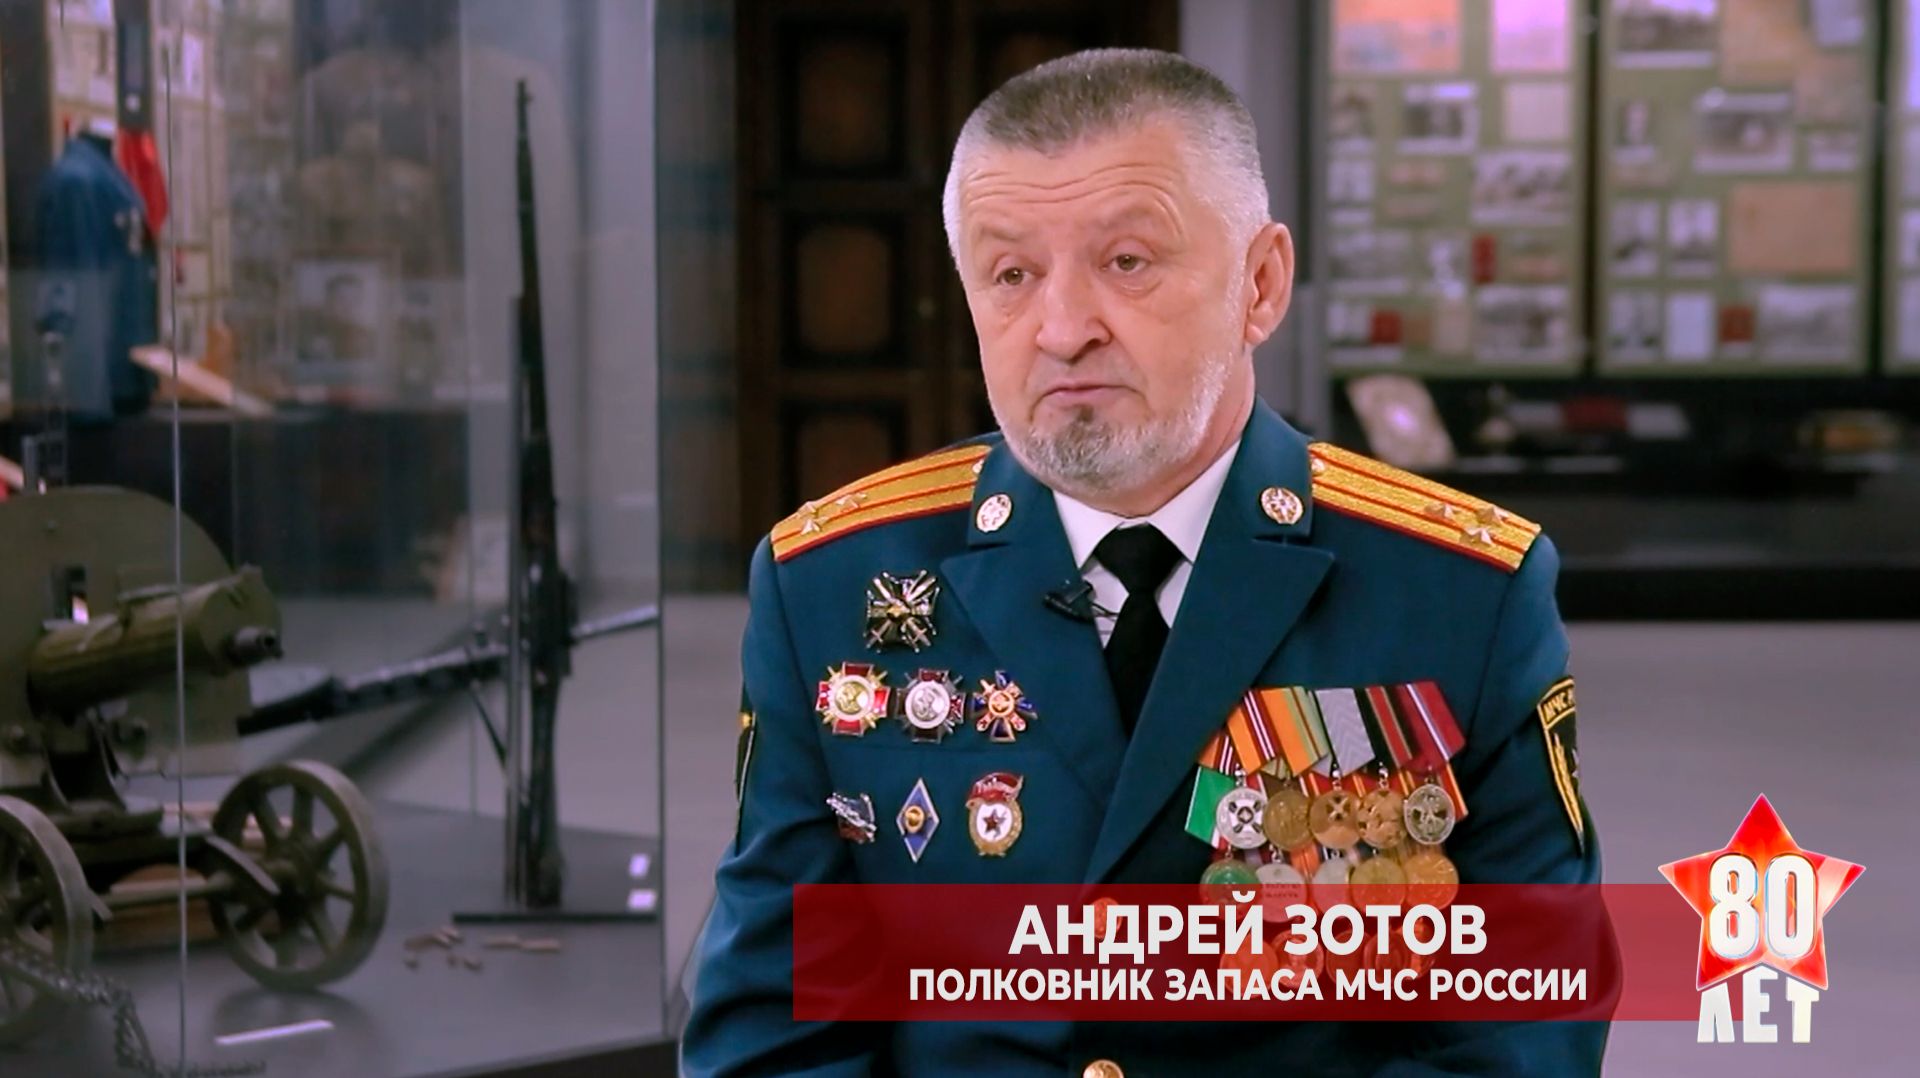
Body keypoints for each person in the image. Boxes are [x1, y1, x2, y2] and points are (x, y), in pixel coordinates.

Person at [684, 49, 1603, 1076]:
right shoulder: (833, 583)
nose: (1063, 330)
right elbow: (774, 1026)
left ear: (1260, 285)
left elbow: (1519, 1031)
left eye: (1126, 262)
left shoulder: (1457, 590)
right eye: (1012, 275)